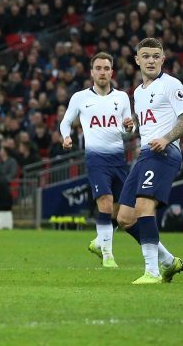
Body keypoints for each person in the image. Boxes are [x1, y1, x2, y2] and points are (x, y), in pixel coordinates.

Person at [117, 38, 183, 284]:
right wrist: (132, 126)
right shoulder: (138, 92)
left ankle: (152, 272)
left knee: (145, 208)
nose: (150, 60)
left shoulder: (171, 84)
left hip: (164, 152)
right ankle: (169, 262)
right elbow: (148, 124)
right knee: (125, 218)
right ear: (137, 60)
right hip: (145, 154)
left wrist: (167, 139)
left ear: (162, 60)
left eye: (155, 56)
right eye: (145, 56)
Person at [59, 52, 133, 268]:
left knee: (121, 212)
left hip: (119, 158)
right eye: (98, 68)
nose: (102, 72)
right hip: (96, 159)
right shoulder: (80, 98)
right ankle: (108, 256)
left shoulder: (121, 98)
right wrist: (66, 136)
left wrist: (130, 128)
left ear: (112, 72)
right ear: (92, 72)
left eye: (106, 68)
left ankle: (99, 242)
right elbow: (65, 122)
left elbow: (127, 132)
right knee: (106, 204)